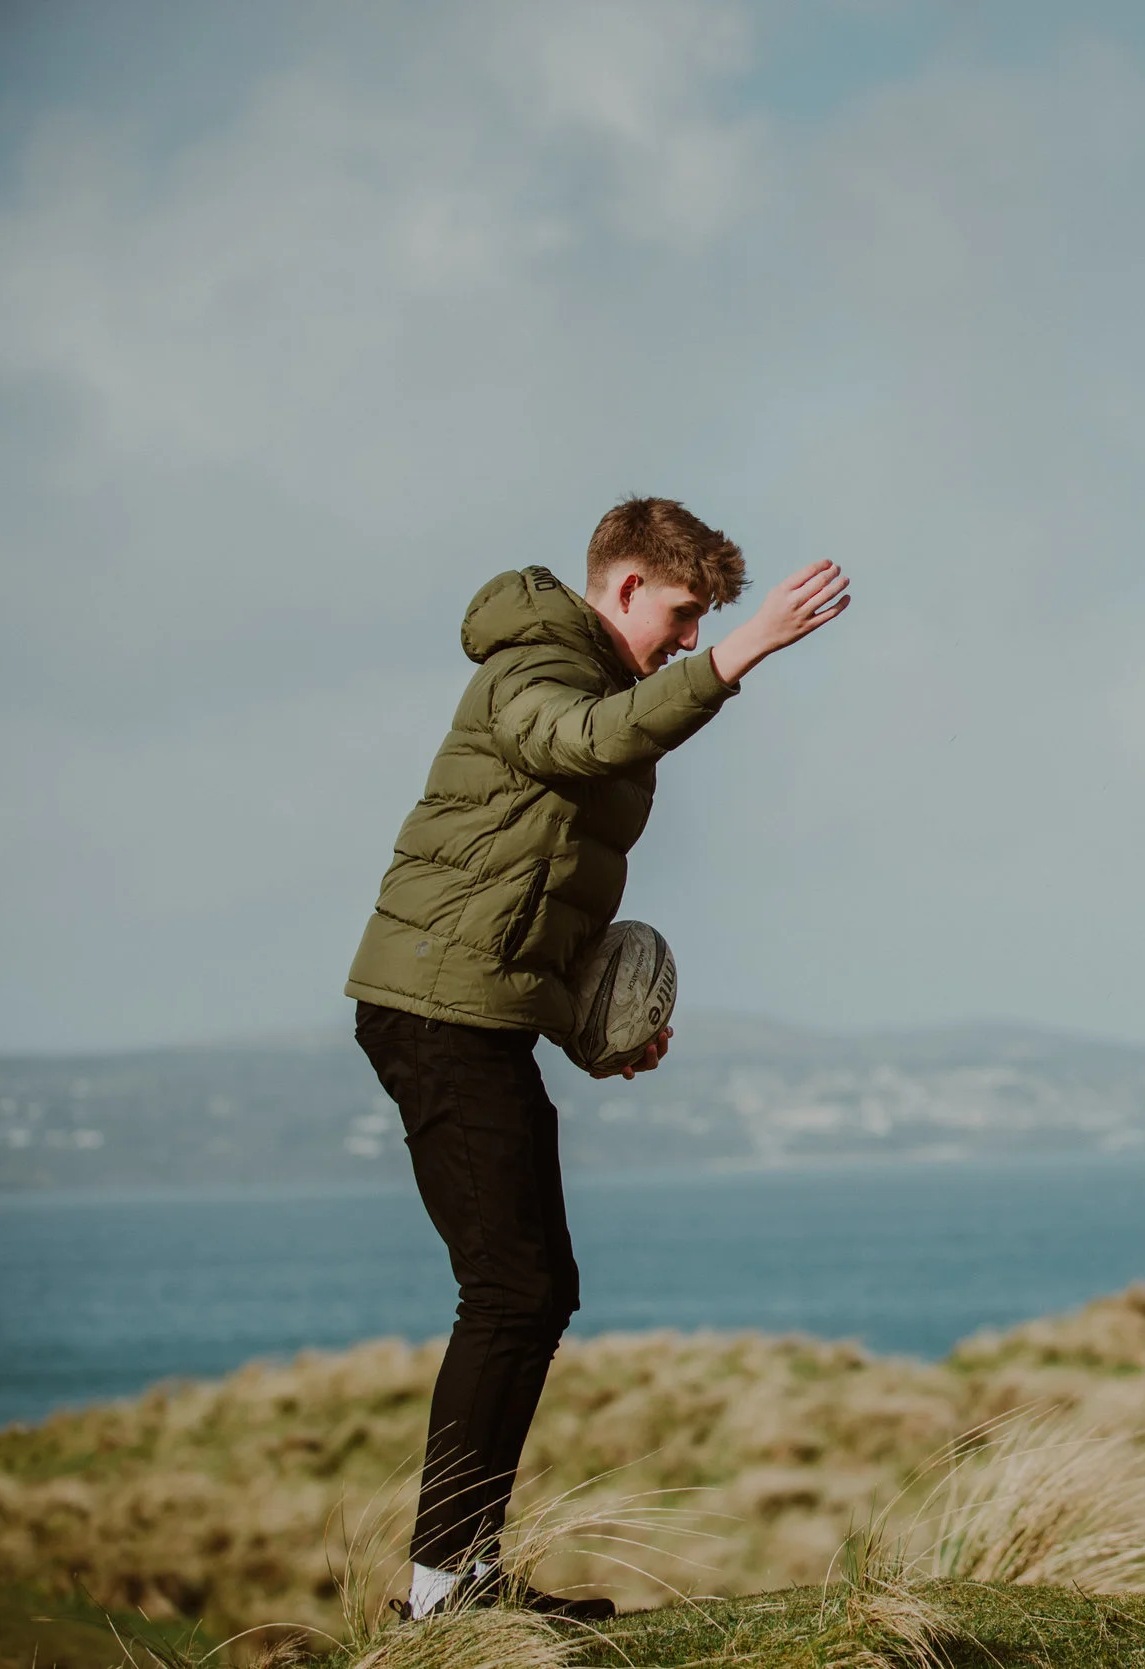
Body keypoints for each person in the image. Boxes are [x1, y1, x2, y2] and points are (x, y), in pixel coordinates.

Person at [345, 497, 849, 1620]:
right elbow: (570, 744)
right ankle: (440, 1597)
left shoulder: (607, 686)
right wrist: (741, 650)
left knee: (535, 1290)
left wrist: (591, 1029)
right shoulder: (535, 661)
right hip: (432, 1015)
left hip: (475, 1011)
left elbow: (536, 893)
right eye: (678, 615)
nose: (682, 638)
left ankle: (461, 1575)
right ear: (623, 585)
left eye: (699, 624)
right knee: (512, 1290)